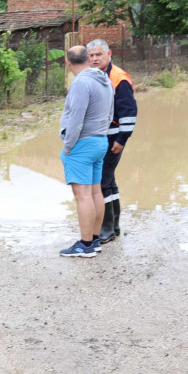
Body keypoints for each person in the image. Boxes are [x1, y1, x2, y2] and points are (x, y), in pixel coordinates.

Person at [58, 45, 113, 258]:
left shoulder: (81, 82)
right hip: (100, 140)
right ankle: (95, 239)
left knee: (82, 196)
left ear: (68, 62)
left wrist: (69, 145)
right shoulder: (103, 79)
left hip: (82, 143)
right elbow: (110, 112)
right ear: (88, 59)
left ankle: (86, 244)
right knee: (95, 192)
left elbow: (76, 118)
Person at [86, 39, 138, 242]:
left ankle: (105, 230)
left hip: (112, 137)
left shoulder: (118, 78)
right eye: (91, 55)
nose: (94, 59)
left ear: (109, 54)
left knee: (101, 182)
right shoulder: (98, 76)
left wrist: (122, 139)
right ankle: (114, 226)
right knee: (110, 181)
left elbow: (129, 112)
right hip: (104, 135)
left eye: (98, 54)